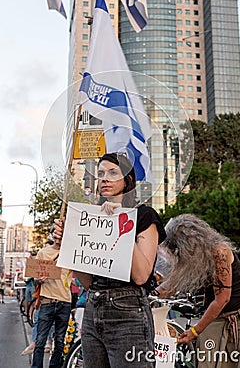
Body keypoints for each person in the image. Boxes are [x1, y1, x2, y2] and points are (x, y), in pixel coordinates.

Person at [54, 152, 166, 367]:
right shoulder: (93, 218)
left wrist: (120, 221)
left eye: (113, 173)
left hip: (129, 312)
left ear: (128, 180)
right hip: (93, 308)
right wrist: (67, 244)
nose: (104, 178)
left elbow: (142, 275)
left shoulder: (144, 216)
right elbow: (88, 282)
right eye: (101, 173)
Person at [155, 214, 240, 367]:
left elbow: (222, 298)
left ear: (189, 243)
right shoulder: (194, 259)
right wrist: (151, 295)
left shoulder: (219, 251)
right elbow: (172, 284)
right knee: (207, 362)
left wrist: (195, 331)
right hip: (218, 315)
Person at [31, 241, 72, 368]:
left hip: (65, 301)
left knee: (60, 340)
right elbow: (34, 276)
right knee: (40, 340)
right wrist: (38, 280)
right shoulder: (43, 252)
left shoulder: (71, 252)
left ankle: (55, 366)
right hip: (47, 301)